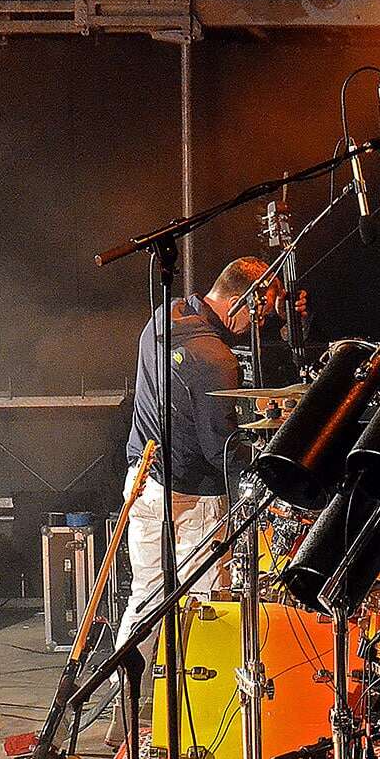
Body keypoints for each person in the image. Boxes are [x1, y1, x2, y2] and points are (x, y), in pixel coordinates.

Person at [114, 255, 299, 654]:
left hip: (144, 481)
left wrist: (285, 317)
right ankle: (195, 688)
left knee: (145, 597)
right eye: (261, 315)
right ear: (243, 302)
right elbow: (221, 450)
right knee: (204, 605)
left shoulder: (165, 318)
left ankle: (126, 691)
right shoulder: (216, 360)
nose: (258, 326)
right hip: (192, 497)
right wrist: (268, 475)